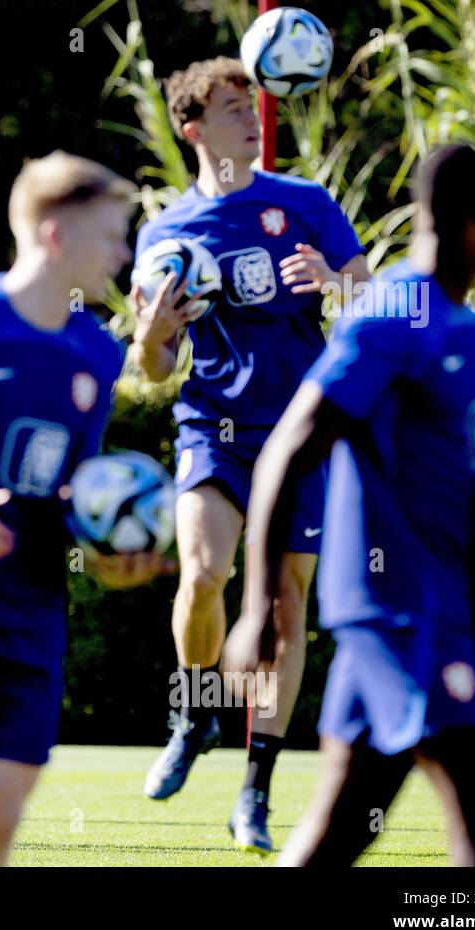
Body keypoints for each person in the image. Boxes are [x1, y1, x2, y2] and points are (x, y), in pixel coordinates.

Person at [224, 144, 475, 866]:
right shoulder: (393, 316)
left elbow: (444, 488)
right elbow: (288, 450)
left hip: (424, 606)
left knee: (345, 823)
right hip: (398, 610)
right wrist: (260, 608)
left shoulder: (465, 328)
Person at [0, 152, 168, 865]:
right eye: (110, 235)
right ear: (53, 236)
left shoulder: (94, 356)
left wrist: (114, 555)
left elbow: (77, 491)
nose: (122, 253)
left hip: (32, 616)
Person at [129, 56, 370, 852]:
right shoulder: (165, 232)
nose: (251, 118)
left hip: (302, 430)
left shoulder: (302, 202)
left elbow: (369, 294)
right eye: (233, 109)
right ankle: (195, 711)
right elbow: (155, 368)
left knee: (283, 609)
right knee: (203, 573)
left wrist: (333, 280)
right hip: (214, 426)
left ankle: (256, 788)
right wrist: (155, 333)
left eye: (253, 105)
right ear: (193, 129)